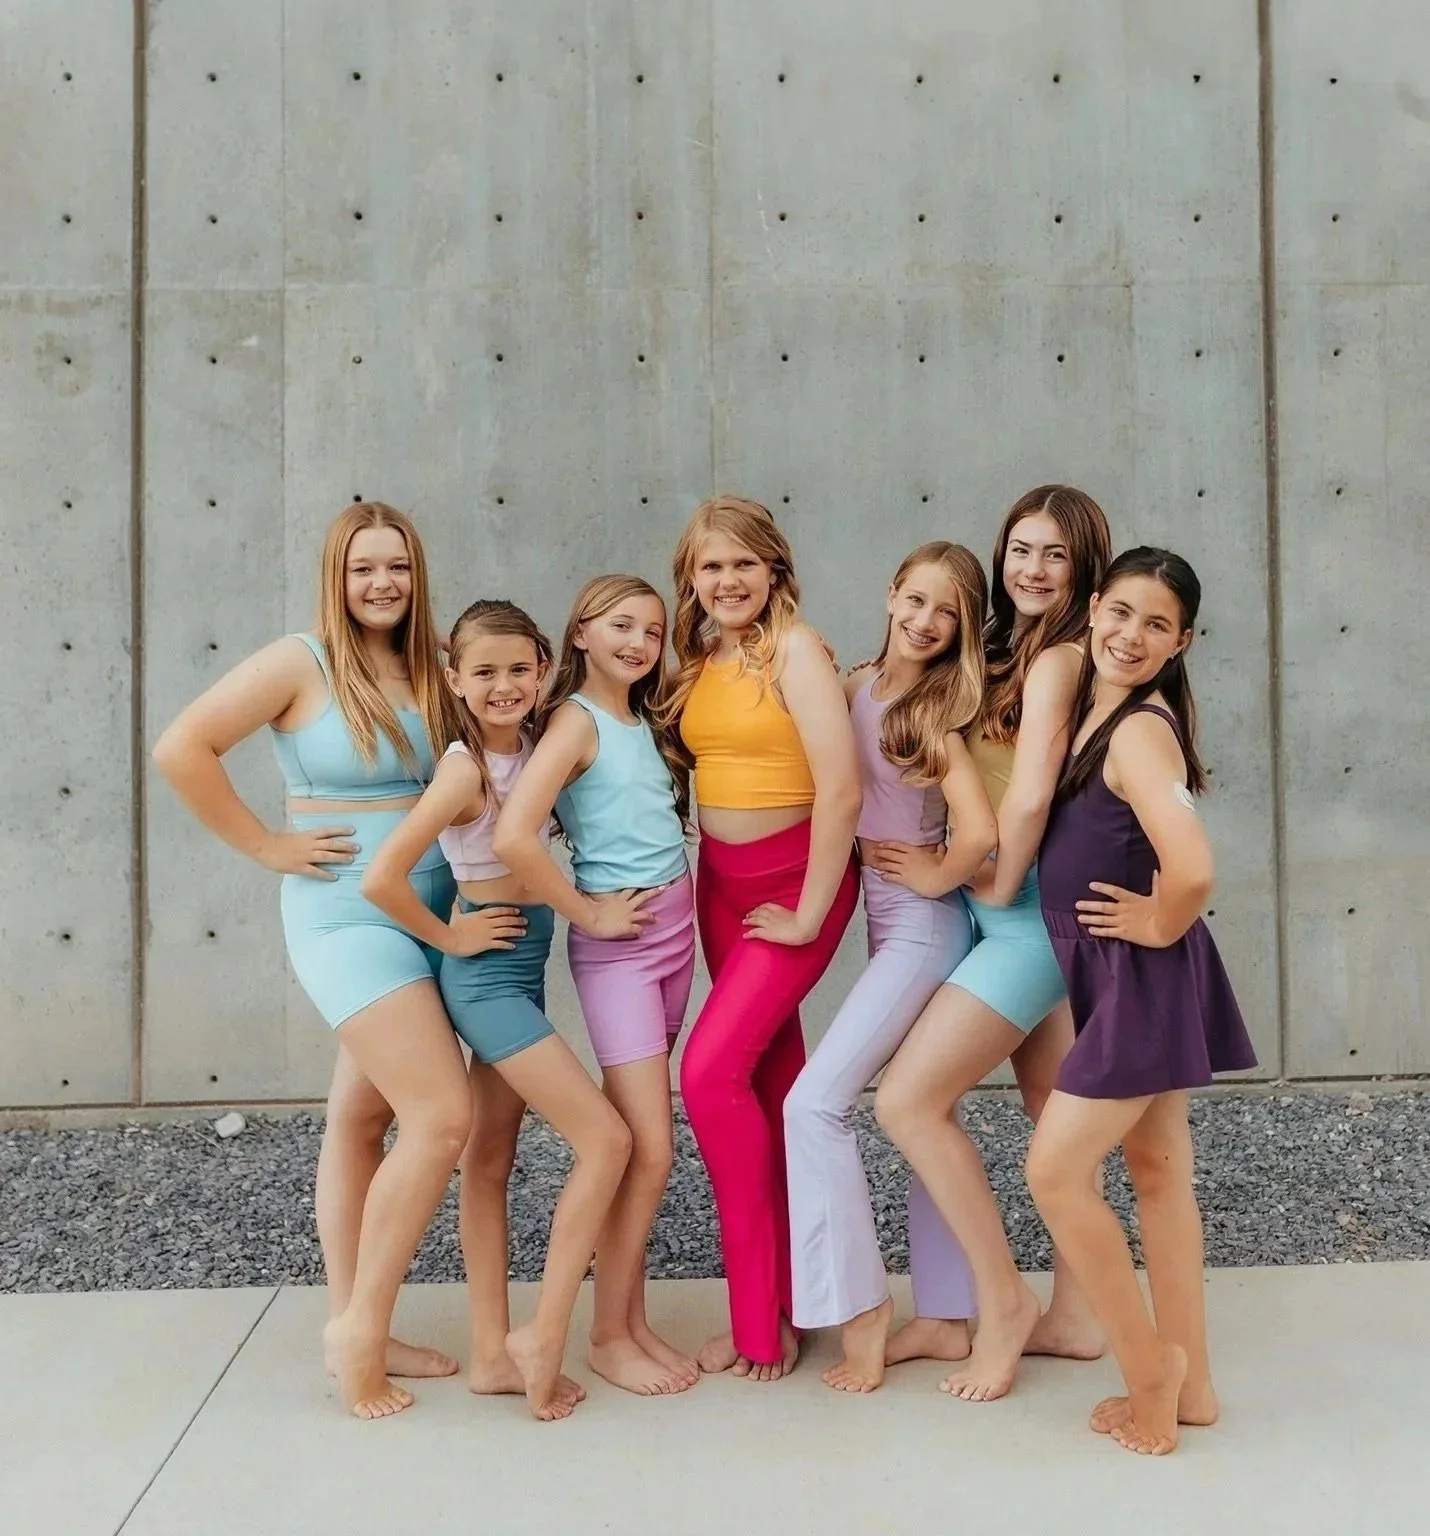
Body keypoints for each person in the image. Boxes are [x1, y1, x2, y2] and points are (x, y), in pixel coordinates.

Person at [153, 501, 469, 1420]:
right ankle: (359, 1331)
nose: (382, 584)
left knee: (360, 1121)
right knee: (442, 1113)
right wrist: (264, 845)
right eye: (364, 567)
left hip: (431, 903)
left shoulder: (432, 658)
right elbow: (183, 747)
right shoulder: (303, 660)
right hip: (345, 916)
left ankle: (354, 1313)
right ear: (337, 575)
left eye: (398, 568)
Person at [363, 599, 632, 1422]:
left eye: (520, 669)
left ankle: (489, 1354)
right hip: (484, 980)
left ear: (544, 668)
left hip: (524, 966)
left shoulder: (542, 746)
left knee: (490, 1163)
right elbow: (384, 877)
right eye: (484, 672)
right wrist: (452, 932)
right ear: (453, 678)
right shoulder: (463, 770)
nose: (504, 685)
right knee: (606, 1137)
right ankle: (537, 1337)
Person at [875, 485, 1111, 1401]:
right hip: (1012, 914)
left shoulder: (1060, 659)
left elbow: (1030, 793)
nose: (1032, 569)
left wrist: (974, 879)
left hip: (1026, 916)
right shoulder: (1015, 652)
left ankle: (1003, 1302)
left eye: (1055, 554)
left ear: (1084, 564)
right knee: (1054, 1113)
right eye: (1021, 548)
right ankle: (1081, 1315)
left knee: (907, 1101)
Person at [1025, 547, 1255, 1456]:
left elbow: (1192, 866)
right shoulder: (1102, 714)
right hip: (1125, 979)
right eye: (1120, 613)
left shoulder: (1136, 732)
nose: (1131, 634)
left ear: (1181, 641)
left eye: (1156, 624)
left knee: (1055, 1172)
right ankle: (1193, 1383)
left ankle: (1150, 1375)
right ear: (1091, 611)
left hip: (1139, 983)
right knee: (1159, 1176)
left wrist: (1159, 924)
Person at [656, 495, 862, 1381]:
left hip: (794, 887)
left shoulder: (799, 651)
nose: (728, 580)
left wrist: (814, 914)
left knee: (707, 1074)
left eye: (745, 563)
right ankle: (798, 1298)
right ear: (691, 579)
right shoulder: (699, 656)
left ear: (774, 569)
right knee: (771, 1086)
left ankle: (757, 1324)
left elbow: (842, 791)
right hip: (722, 892)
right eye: (712, 566)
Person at [784, 542, 997, 1393]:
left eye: (944, 612)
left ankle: (861, 1310)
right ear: (889, 593)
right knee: (925, 1109)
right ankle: (946, 1317)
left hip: (924, 927)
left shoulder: (936, 710)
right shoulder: (860, 683)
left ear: (962, 628)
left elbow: (976, 831)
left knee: (815, 1104)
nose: (923, 621)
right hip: (890, 922)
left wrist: (935, 871)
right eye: (913, 600)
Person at [493, 575, 700, 1396]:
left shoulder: (640, 717)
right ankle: (598, 1335)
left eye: (652, 631)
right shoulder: (575, 722)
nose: (639, 643)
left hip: (677, 944)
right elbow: (515, 835)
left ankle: (630, 1320)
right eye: (621, 625)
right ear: (579, 632)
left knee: (647, 1151)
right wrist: (587, 911)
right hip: (623, 955)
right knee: (647, 1149)